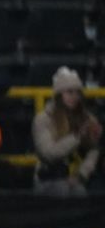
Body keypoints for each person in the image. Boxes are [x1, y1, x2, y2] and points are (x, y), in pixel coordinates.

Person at [32, 67, 101, 196]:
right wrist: (78, 136)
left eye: (77, 93)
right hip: (49, 178)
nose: (74, 97)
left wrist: (81, 175)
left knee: (80, 192)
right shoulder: (43, 119)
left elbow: (94, 150)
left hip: (75, 178)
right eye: (69, 92)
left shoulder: (86, 118)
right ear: (59, 95)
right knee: (62, 189)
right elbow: (49, 153)